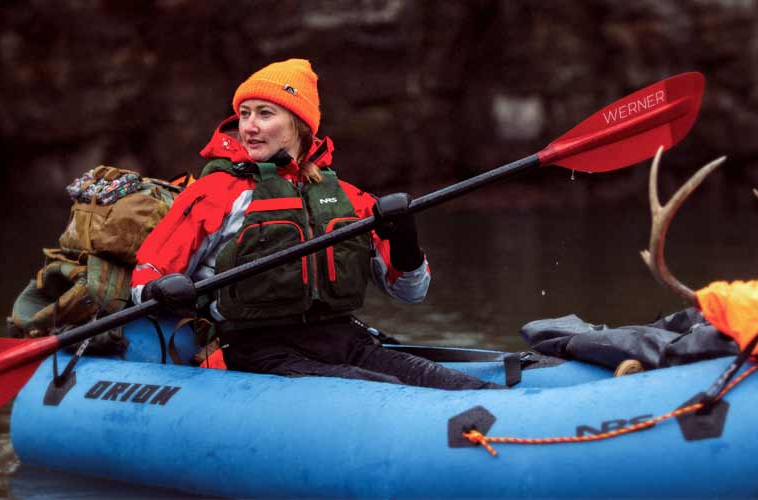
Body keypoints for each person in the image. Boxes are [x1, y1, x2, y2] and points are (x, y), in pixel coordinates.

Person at [132, 58, 501, 390]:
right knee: (378, 388)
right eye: (244, 114)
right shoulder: (215, 193)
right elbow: (146, 275)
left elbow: (410, 292)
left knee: (452, 384)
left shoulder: (350, 198)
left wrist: (405, 239)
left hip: (343, 341)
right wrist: (158, 291)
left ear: (298, 125)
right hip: (256, 351)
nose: (249, 127)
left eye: (264, 114)